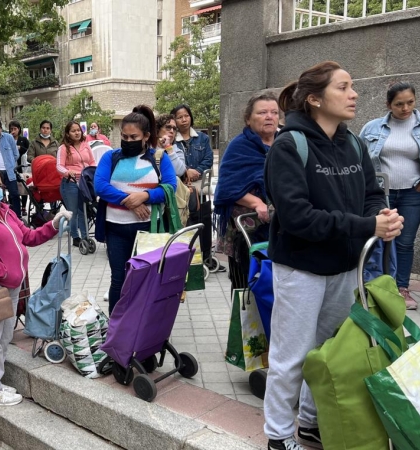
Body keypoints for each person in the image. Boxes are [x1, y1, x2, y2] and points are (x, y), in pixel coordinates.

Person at [263, 61, 403, 450]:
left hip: (345, 267)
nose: (354, 94)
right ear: (314, 99)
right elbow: (297, 218)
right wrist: (365, 227)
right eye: (343, 87)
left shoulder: (354, 142)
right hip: (302, 269)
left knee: (328, 353)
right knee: (291, 357)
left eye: (352, 86)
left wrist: (384, 216)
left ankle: (310, 423)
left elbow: (372, 192)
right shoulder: (289, 146)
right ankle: (277, 435)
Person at [0, 168, 70, 406]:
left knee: (4, 335)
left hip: (10, 286)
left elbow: (28, 236)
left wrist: (54, 224)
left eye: (1, 185)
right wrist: (5, 272)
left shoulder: (5, 211)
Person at [359, 82, 420, 310]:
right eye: (399, 104)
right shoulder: (372, 128)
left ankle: (401, 287)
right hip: (380, 193)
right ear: (389, 105)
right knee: (379, 239)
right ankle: (377, 285)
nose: (405, 108)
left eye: (410, 102)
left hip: (413, 194)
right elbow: (358, 157)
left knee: (405, 242)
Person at [93, 105, 177, 314]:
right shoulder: (110, 157)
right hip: (116, 230)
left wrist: (146, 196)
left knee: (147, 280)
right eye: (124, 136)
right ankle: (116, 330)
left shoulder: (158, 157)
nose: (128, 141)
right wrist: (130, 201)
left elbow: (170, 187)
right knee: (118, 281)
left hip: (149, 229)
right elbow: (100, 186)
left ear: (146, 136)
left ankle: (144, 327)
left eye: (134, 137)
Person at [214, 92, 279, 292]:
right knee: (246, 286)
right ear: (248, 119)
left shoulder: (286, 142)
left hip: (281, 228)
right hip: (246, 231)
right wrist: (255, 203)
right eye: (262, 112)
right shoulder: (239, 146)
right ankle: (243, 322)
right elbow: (226, 187)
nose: (269, 116)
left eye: (274, 112)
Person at [57, 121, 95, 247]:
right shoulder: (63, 148)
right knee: (73, 211)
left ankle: (85, 236)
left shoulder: (86, 145)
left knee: (83, 210)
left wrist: (93, 170)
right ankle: (75, 236)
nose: (77, 133)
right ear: (68, 134)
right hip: (70, 183)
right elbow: (59, 166)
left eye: (78, 130)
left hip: (85, 182)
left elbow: (92, 161)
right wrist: (67, 172)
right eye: (73, 131)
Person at [171, 104, 213, 184]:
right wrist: (186, 172)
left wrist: (197, 172)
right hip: (180, 184)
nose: (184, 120)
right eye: (180, 117)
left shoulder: (203, 138)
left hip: (199, 181)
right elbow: (170, 160)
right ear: (174, 121)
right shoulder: (171, 140)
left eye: (186, 116)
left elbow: (208, 159)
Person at [155, 114, 187, 178]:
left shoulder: (177, 151)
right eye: (168, 127)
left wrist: (168, 148)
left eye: (174, 129)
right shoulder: (148, 149)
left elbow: (179, 172)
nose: (172, 131)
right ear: (157, 130)